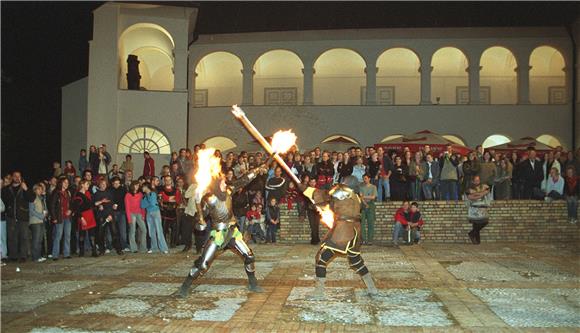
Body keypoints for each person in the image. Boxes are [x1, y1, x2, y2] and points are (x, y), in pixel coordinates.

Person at [177, 160, 267, 298]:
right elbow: (200, 217)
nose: (226, 183)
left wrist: (256, 170)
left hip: (232, 232)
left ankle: (252, 283)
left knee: (249, 256)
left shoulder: (229, 192)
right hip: (218, 234)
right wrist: (199, 220)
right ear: (217, 185)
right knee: (203, 264)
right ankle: (184, 287)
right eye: (223, 182)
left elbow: (242, 181)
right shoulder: (210, 199)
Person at [300, 175, 378, 300]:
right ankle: (372, 288)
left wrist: (305, 188)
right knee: (356, 261)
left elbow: (323, 195)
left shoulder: (341, 192)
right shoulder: (356, 197)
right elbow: (335, 206)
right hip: (354, 233)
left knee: (322, 257)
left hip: (344, 233)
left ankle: (318, 293)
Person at [2, 171, 35, 262]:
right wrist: (8, 209)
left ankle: (23, 256)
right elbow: (3, 201)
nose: (17, 178)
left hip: (23, 216)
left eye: (18, 176)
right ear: (12, 177)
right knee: (12, 237)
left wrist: (26, 189)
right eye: (15, 176)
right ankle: (13, 256)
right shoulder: (7, 189)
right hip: (11, 216)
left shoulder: (24, 187)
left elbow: (32, 198)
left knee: (24, 237)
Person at [93, 178, 123, 255]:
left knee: (115, 232)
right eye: (102, 184)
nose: (103, 185)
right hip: (101, 216)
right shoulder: (96, 194)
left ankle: (119, 249)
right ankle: (102, 250)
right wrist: (100, 203)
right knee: (101, 234)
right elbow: (95, 204)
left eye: (105, 184)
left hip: (110, 215)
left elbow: (112, 204)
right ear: (99, 185)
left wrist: (113, 209)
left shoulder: (109, 193)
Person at [141, 182, 169, 254]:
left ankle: (164, 248)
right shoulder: (144, 196)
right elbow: (142, 206)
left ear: (146, 187)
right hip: (149, 213)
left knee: (159, 230)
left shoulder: (152, 194)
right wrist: (148, 202)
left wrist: (147, 203)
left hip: (155, 212)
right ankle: (154, 247)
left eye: (143, 187)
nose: (142, 188)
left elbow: (153, 203)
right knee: (151, 231)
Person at [72, 180, 98, 257]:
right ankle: (81, 252)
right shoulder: (78, 195)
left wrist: (100, 202)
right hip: (82, 216)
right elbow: (77, 208)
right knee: (82, 235)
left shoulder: (87, 193)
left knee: (92, 234)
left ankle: (94, 251)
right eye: (87, 184)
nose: (88, 186)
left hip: (90, 215)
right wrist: (82, 218)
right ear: (82, 185)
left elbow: (91, 204)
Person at [49, 177, 73, 260]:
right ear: (60, 183)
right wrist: (54, 217)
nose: (66, 184)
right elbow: (52, 206)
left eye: (67, 182)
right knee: (58, 236)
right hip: (59, 217)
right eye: (65, 182)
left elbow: (71, 204)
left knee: (67, 235)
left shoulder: (68, 192)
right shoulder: (56, 192)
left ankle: (66, 253)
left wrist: (70, 210)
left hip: (67, 217)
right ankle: (55, 254)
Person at [466, 175, 491, 245]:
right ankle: (477, 241)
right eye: (476, 180)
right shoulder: (469, 188)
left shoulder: (484, 186)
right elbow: (470, 197)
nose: (477, 182)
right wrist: (481, 194)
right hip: (474, 208)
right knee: (476, 224)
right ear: (473, 181)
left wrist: (476, 194)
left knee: (484, 222)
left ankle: (472, 233)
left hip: (482, 208)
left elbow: (486, 191)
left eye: (478, 180)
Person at [124, 181, 147, 253]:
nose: (137, 187)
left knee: (144, 230)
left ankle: (143, 247)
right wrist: (129, 218)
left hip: (139, 213)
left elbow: (142, 205)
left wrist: (143, 215)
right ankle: (133, 248)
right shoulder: (128, 195)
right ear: (132, 186)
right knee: (132, 230)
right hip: (131, 214)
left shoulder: (140, 194)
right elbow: (127, 207)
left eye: (138, 185)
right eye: (135, 185)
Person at [29, 183, 48, 262]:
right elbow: (31, 210)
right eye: (39, 189)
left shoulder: (41, 198)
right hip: (35, 221)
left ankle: (39, 256)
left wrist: (46, 213)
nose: (41, 190)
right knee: (36, 239)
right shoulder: (33, 198)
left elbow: (44, 207)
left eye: (41, 189)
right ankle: (35, 257)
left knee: (40, 239)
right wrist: (41, 216)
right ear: (35, 190)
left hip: (41, 221)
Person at [110, 177, 128, 251]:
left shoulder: (123, 190)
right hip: (113, 212)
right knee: (113, 231)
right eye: (115, 183)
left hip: (121, 212)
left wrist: (118, 205)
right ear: (112, 183)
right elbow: (109, 200)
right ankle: (112, 246)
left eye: (118, 183)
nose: (117, 185)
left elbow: (125, 201)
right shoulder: (110, 190)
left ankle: (124, 246)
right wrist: (112, 205)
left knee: (123, 230)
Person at [359, 174, 377, 245]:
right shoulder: (361, 187)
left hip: (371, 205)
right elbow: (360, 197)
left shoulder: (373, 187)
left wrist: (364, 197)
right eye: (363, 178)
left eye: (366, 178)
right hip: (363, 205)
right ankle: (363, 239)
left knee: (370, 223)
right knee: (362, 224)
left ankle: (370, 240)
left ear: (369, 179)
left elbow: (373, 197)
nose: (364, 180)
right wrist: (365, 203)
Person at [305, 177, 321, 245]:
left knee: (316, 225)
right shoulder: (307, 190)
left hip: (317, 210)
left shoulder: (317, 190)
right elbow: (305, 200)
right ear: (309, 182)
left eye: (314, 182)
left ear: (315, 182)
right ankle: (314, 239)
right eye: (311, 182)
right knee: (312, 225)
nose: (312, 183)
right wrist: (309, 206)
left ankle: (316, 239)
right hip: (310, 210)